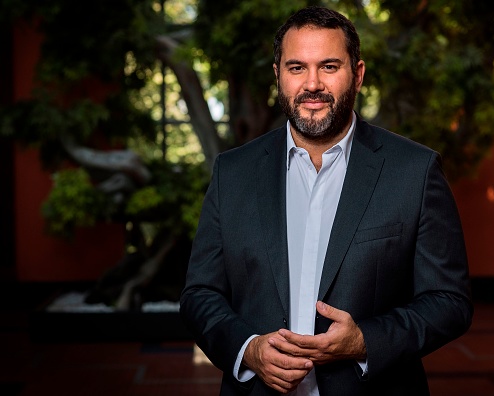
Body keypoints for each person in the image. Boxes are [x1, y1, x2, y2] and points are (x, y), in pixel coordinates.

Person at [180, 5, 473, 396]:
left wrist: (366, 341)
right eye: (297, 67)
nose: (312, 83)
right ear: (278, 75)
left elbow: (450, 301)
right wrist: (248, 350)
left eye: (330, 66)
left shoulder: (414, 172)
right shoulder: (232, 173)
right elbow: (200, 294)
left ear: (358, 74)